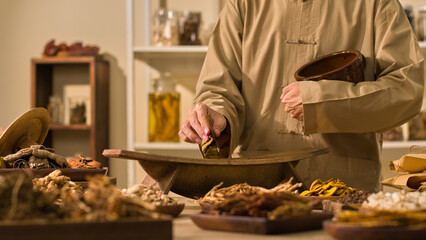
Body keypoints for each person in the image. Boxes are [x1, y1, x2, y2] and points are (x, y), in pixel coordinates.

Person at [178, 0, 424, 192]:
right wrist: (217, 117)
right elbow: (218, 89)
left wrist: (323, 102)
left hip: (346, 190)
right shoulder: (243, 5)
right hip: (256, 191)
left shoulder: (377, 4)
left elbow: (406, 89)